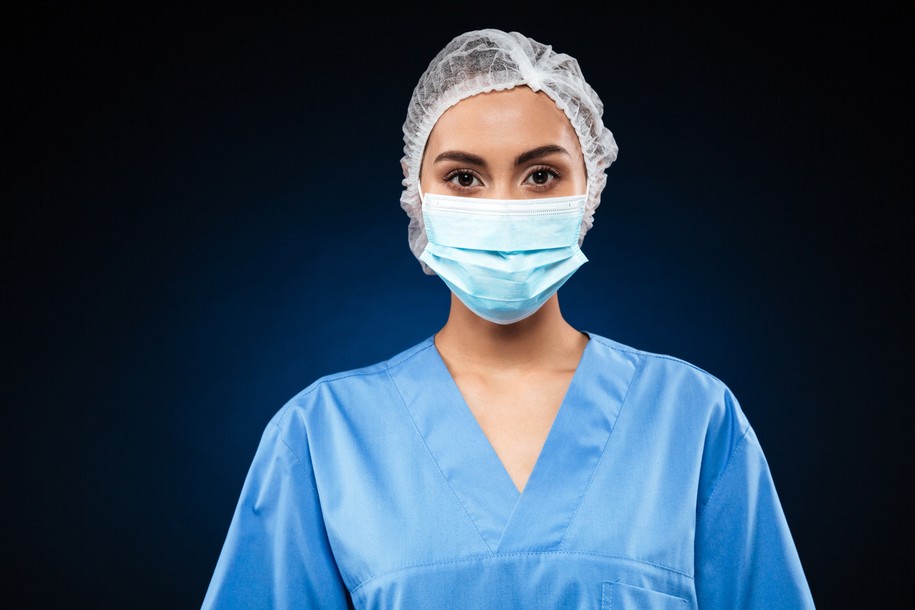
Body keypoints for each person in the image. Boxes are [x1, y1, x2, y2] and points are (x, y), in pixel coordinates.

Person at [201, 28, 815, 609]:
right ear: (418, 195)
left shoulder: (692, 418)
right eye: (464, 178)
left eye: (541, 175)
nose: (502, 210)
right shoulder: (323, 436)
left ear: (590, 189)